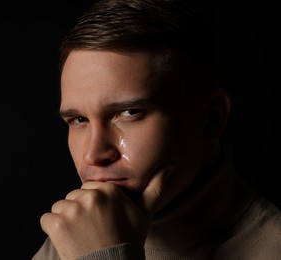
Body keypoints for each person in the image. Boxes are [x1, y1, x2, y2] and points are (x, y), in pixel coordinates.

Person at [32, 0, 280, 259]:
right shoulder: (69, 240)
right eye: (79, 120)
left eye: (129, 113)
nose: (93, 155)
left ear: (210, 119)